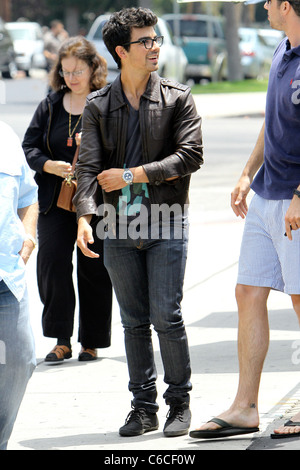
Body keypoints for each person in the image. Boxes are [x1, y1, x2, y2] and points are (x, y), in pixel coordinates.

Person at [74, 7, 203, 438]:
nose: (154, 47)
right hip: (117, 227)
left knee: (166, 315)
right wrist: (84, 219)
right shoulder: (97, 106)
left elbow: (191, 156)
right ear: (120, 51)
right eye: (144, 41)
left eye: (155, 40)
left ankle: (179, 403)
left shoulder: (177, 97)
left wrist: (133, 174)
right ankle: (143, 407)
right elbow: (88, 168)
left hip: (167, 222)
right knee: (132, 322)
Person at [189, 0, 300, 441]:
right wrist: (246, 172)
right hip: (266, 193)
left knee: (299, 300)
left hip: (295, 199)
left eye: (269, 2)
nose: (264, 8)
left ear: (287, 5)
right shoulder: (281, 49)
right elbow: (271, 123)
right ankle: (245, 407)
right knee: (247, 291)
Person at [22, 36, 113, 364]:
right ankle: (61, 339)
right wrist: (48, 165)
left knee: (94, 269)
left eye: (78, 70)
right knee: (53, 266)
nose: (71, 78)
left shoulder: (104, 103)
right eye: (65, 71)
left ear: (93, 68)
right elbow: (29, 146)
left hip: (96, 199)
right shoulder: (49, 105)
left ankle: (91, 341)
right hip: (53, 200)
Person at [0, 121, 38, 450]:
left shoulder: (6, 136)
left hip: (6, 274)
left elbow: (28, 194)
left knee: (21, 359)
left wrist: (29, 234)